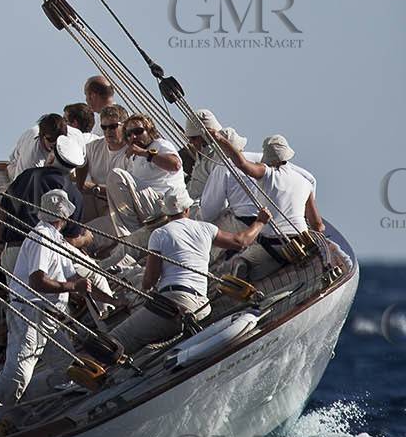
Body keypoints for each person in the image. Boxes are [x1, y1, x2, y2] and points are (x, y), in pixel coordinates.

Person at [0, 189, 89, 437]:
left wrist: (111, 298)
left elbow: (72, 277)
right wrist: (73, 288)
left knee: (67, 370)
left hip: (48, 316)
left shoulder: (56, 239)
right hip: (31, 312)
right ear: (65, 217)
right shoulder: (41, 237)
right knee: (17, 374)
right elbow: (38, 281)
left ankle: (21, 413)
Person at [109, 188, 270, 353]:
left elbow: (149, 280)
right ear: (187, 210)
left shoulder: (159, 234)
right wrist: (260, 222)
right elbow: (241, 241)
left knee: (116, 339)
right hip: (202, 305)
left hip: (176, 304)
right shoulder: (206, 228)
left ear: (166, 214)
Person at [215, 133, 325, 282]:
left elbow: (242, 164)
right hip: (301, 241)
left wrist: (222, 140)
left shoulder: (268, 173)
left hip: (272, 246)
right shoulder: (305, 182)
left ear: (268, 159)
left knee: (239, 262)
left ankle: (246, 277)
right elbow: (317, 224)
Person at [103, 113, 186, 243]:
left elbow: (175, 165)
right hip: (147, 205)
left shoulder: (159, 144)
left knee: (116, 175)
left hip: (164, 203)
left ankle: (130, 237)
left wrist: (144, 153)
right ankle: (131, 237)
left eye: (138, 131)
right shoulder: (135, 159)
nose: (133, 137)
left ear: (150, 131)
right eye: (129, 134)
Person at [76, 103, 129, 219]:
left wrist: (95, 188)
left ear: (124, 126)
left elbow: (129, 191)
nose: (107, 131)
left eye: (113, 127)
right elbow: (80, 165)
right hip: (95, 200)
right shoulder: (93, 147)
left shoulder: (131, 153)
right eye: (104, 127)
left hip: (121, 204)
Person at [7, 113, 67, 182]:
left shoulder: (69, 139)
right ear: (42, 136)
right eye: (50, 139)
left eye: (59, 139)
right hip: (15, 166)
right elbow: (20, 184)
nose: (54, 143)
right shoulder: (32, 158)